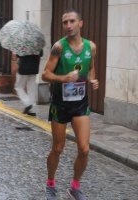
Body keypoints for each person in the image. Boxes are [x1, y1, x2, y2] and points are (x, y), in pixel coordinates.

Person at [42, 9, 99, 200]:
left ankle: (75, 186)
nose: (68, 25)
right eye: (65, 22)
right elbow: (45, 74)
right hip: (60, 104)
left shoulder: (91, 47)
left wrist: (92, 80)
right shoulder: (59, 47)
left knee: (84, 149)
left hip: (80, 105)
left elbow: (90, 69)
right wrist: (63, 78)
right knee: (58, 148)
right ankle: (51, 184)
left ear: (80, 23)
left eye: (72, 21)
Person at [14, 50, 43, 116]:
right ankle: (31, 108)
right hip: (34, 69)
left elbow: (18, 55)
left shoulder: (22, 44)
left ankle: (27, 103)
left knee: (18, 87)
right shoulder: (37, 44)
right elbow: (41, 54)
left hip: (23, 69)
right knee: (32, 88)